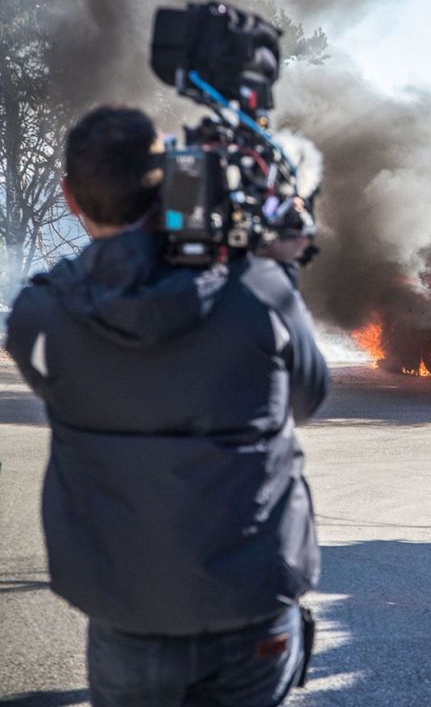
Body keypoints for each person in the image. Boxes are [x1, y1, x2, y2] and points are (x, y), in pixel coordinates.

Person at [5, 106, 328, 706]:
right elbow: (306, 398)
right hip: (253, 608)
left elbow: (64, 383)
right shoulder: (258, 288)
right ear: (168, 188)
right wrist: (275, 267)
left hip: (128, 615)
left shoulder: (40, 313)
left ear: (69, 197)